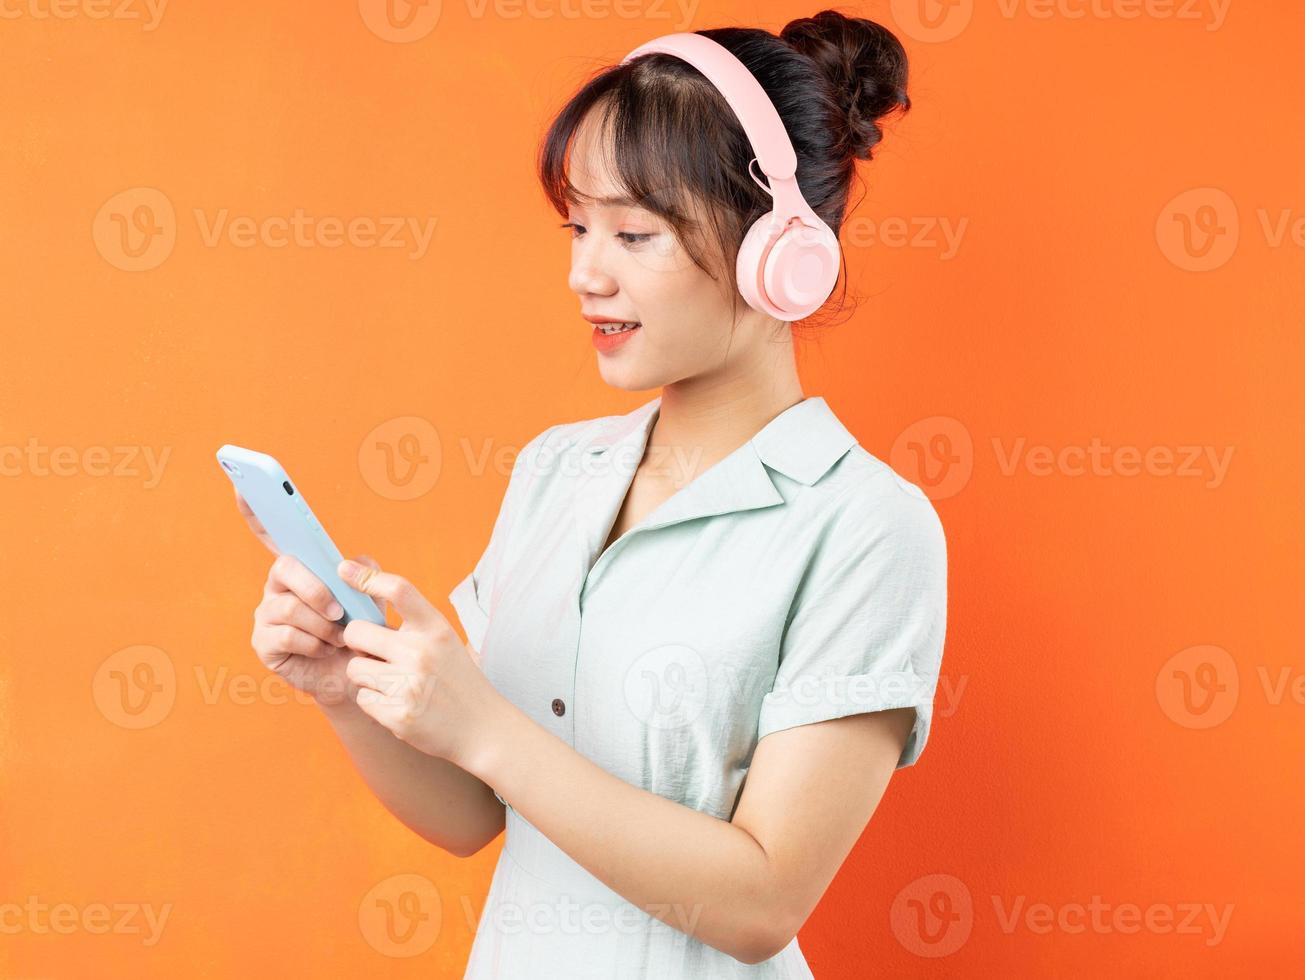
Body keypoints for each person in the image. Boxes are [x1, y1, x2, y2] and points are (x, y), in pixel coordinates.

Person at [234, 11, 948, 977]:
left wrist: (486, 725)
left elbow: (762, 901)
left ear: (779, 254)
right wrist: (348, 695)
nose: (584, 274)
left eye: (634, 233)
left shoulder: (866, 525)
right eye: (578, 227)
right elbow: (475, 817)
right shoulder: (555, 471)